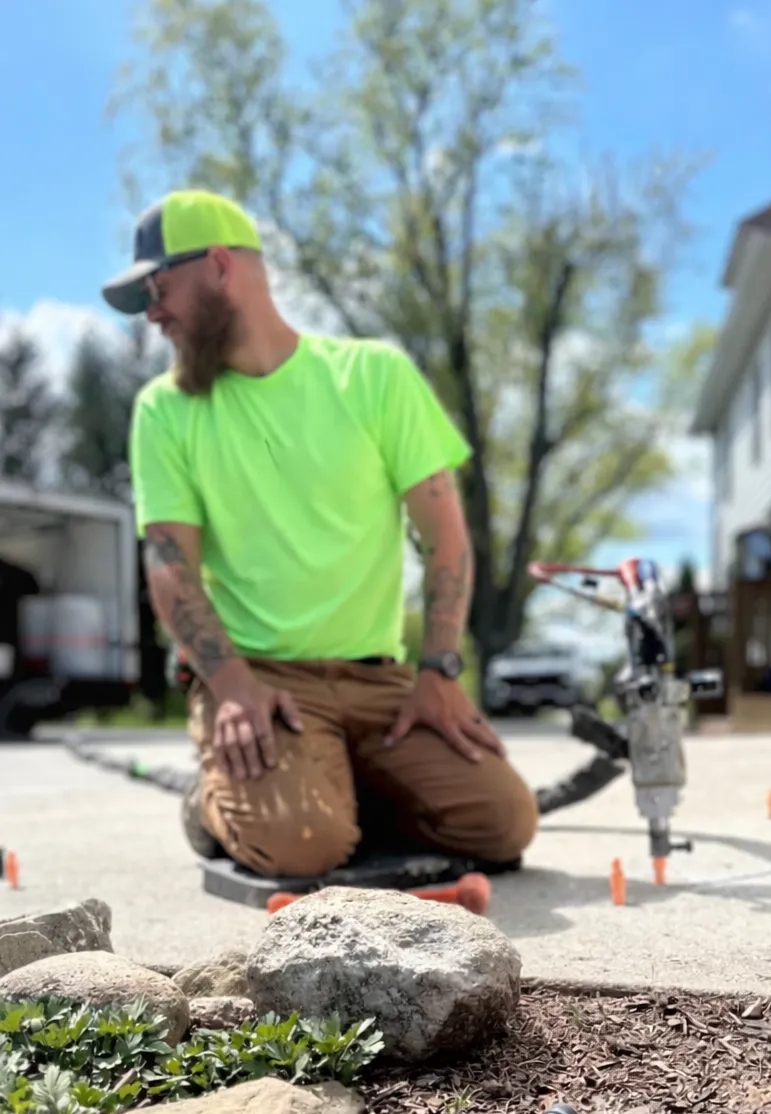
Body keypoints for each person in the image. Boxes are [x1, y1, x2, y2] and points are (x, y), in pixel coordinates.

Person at [102, 189, 537, 878]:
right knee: (302, 846)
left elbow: (445, 540)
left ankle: (336, 781)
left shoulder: (375, 376)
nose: (153, 314)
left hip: (379, 680)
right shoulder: (164, 410)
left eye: (160, 288)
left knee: (502, 824)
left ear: (219, 266)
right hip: (260, 678)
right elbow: (170, 564)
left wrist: (438, 672)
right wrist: (231, 684)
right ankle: (212, 803)